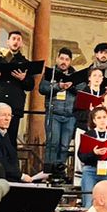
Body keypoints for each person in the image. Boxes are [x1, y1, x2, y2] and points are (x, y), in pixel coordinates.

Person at [40, 45, 80, 176]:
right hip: (54, 114)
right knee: (53, 143)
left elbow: (81, 92)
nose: (64, 62)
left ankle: (59, 173)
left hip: (70, 115)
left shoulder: (76, 75)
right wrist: (58, 86)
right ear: (57, 59)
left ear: (70, 61)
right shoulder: (49, 73)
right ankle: (48, 172)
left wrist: (70, 86)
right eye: (61, 58)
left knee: (64, 146)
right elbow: (42, 89)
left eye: (67, 59)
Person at [0, 30, 39, 115]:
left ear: (21, 43)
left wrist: (23, 79)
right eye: (13, 39)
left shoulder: (25, 62)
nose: (16, 41)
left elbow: (30, 86)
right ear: (8, 42)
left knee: (13, 128)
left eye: (18, 39)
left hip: (15, 105)